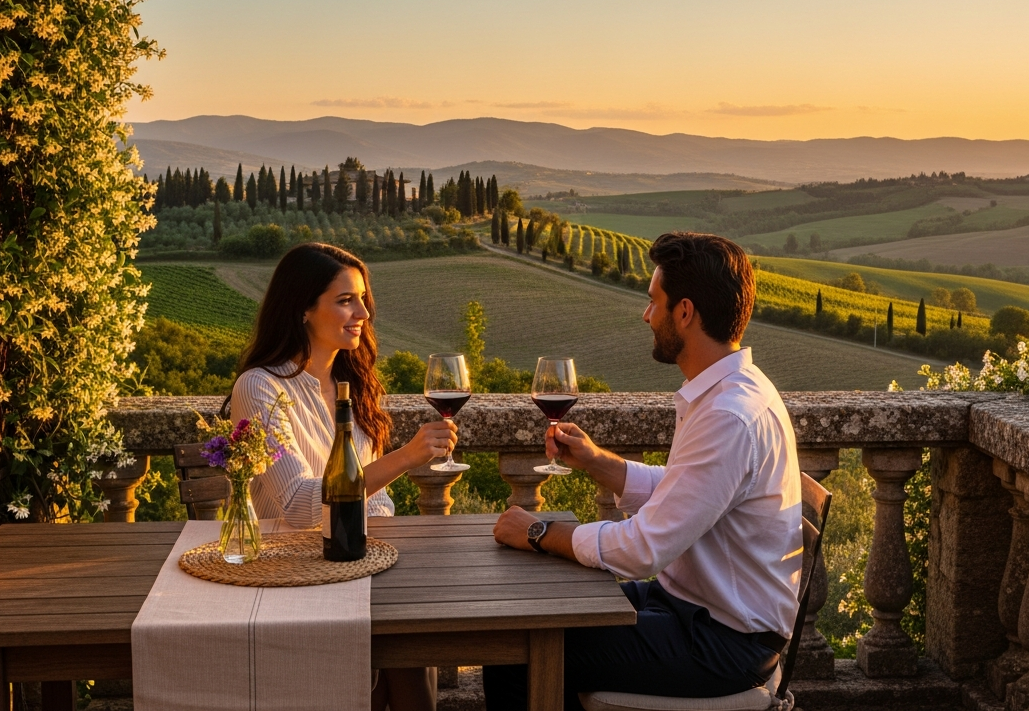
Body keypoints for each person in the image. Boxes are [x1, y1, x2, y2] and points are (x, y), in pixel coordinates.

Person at [484, 233, 803, 710]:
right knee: (525, 622)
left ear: (685, 312)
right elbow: (688, 494)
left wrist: (539, 532)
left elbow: (642, 548)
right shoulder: (730, 389)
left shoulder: (728, 415)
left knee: (516, 652)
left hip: (723, 642)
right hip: (689, 608)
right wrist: (597, 462)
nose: (646, 315)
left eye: (654, 301)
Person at [227, 242, 456, 711]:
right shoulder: (260, 388)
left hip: (365, 560)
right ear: (304, 309)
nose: (363, 313)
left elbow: (373, 504)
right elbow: (299, 507)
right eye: (346, 299)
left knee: (415, 633)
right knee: (402, 649)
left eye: (363, 299)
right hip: (296, 574)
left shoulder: (354, 382)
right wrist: (408, 457)